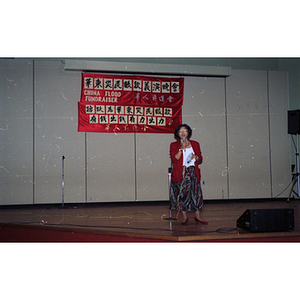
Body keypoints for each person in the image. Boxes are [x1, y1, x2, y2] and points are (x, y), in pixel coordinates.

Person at [169, 124, 208, 225]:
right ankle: (185, 217)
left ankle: (198, 217)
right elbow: (175, 159)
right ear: (177, 134)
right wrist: (181, 148)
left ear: (188, 132)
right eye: (180, 131)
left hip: (193, 172)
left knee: (196, 194)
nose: (182, 132)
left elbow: (200, 158)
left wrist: (196, 157)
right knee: (182, 195)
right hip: (181, 172)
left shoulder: (195, 144)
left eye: (185, 130)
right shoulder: (174, 145)